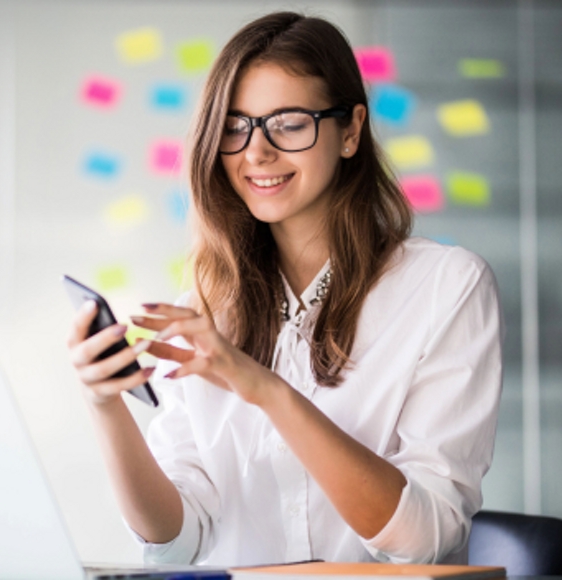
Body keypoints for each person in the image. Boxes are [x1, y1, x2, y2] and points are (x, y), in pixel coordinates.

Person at [67, 11, 502, 567]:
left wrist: (266, 389)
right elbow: (176, 542)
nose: (256, 152)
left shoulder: (447, 287)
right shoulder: (201, 312)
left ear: (350, 131)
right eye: (235, 125)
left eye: (289, 123)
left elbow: (424, 537)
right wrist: (104, 405)